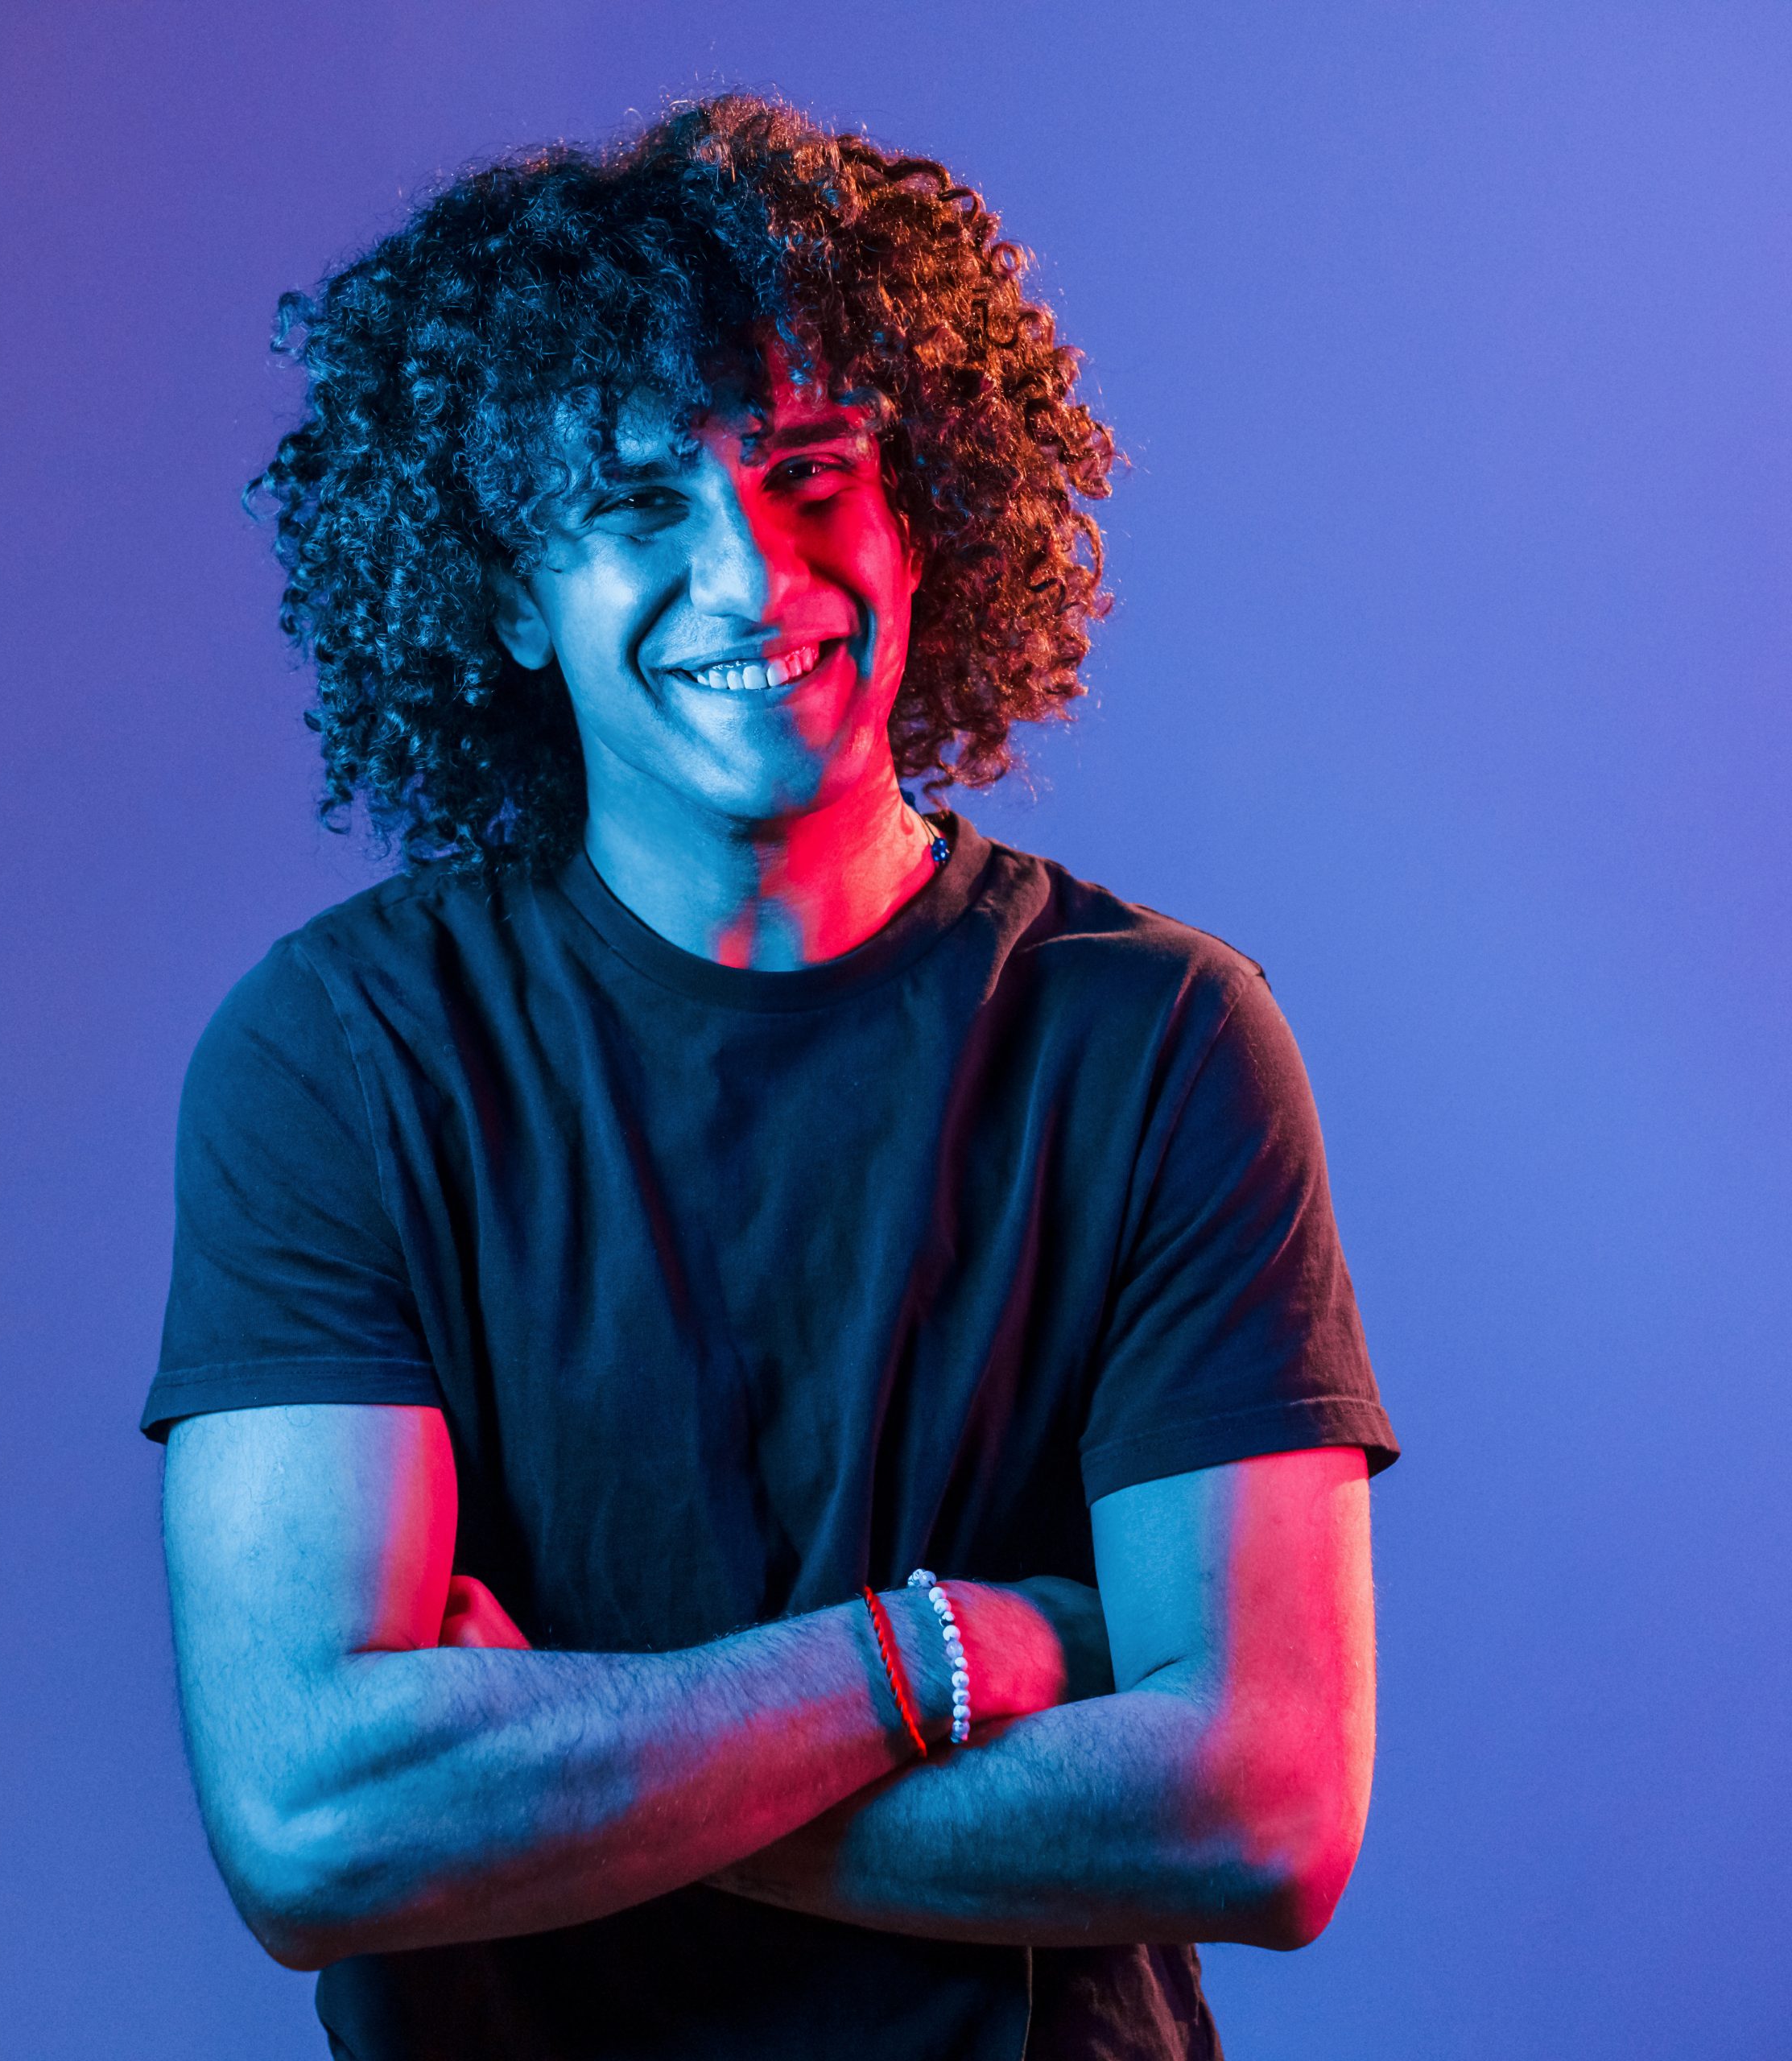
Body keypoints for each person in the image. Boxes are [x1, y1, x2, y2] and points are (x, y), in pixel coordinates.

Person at [142, 93, 1399, 2061]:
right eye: (635, 503)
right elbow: (315, 1826)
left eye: (811, 468)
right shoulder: (342, 1056)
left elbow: (1263, 1805)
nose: (749, 568)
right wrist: (931, 1654)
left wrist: (557, 1756)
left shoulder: (1151, 1035)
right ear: (497, 593)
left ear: (924, 516)